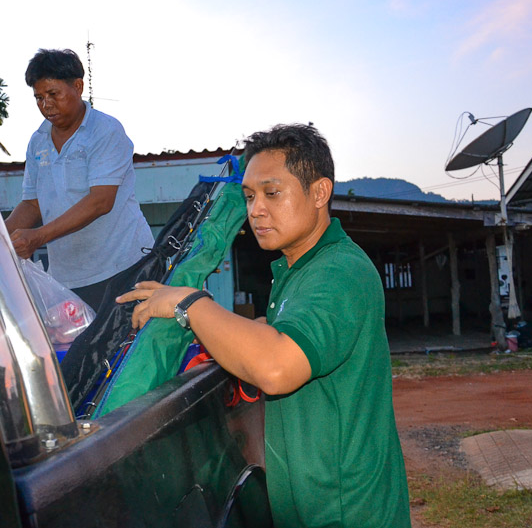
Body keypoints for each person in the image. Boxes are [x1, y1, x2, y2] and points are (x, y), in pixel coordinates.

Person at [117, 124, 410, 528]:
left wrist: (190, 304)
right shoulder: (297, 270)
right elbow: (264, 334)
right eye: (250, 196)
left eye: (272, 193)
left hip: (345, 514)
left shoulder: (337, 273)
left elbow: (276, 366)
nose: (255, 209)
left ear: (320, 192)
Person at [5, 49, 154, 308]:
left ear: (78, 86)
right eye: (38, 98)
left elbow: (100, 202)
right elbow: (32, 204)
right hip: (67, 280)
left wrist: (38, 237)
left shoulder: (105, 131)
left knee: (124, 347)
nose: (46, 105)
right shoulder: (38, 141)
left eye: (53, 94)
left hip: (124, 268)